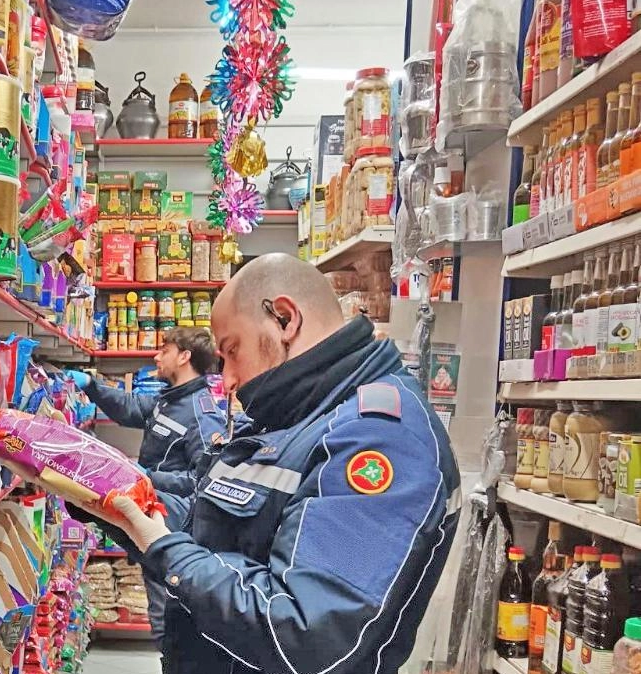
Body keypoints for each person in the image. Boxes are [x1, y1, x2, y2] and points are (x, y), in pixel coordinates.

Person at [75, 254, 461, 674]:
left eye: (233, 351)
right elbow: (211, 524)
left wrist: (168, 553)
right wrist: (112, 498)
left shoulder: (380, 437)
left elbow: (306, 632)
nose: (226, 380)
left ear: (284, 319)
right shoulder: (288, 415)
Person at [66, 326, 226, 647]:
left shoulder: (203, 414)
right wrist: (92, 386)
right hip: (152, 510)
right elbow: (132, 408)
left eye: (164, 350)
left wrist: (149, 477)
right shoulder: (170, 400)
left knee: (169, 613)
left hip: (173, 524)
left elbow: (204, 482)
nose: (156, 356)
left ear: (184, 357)